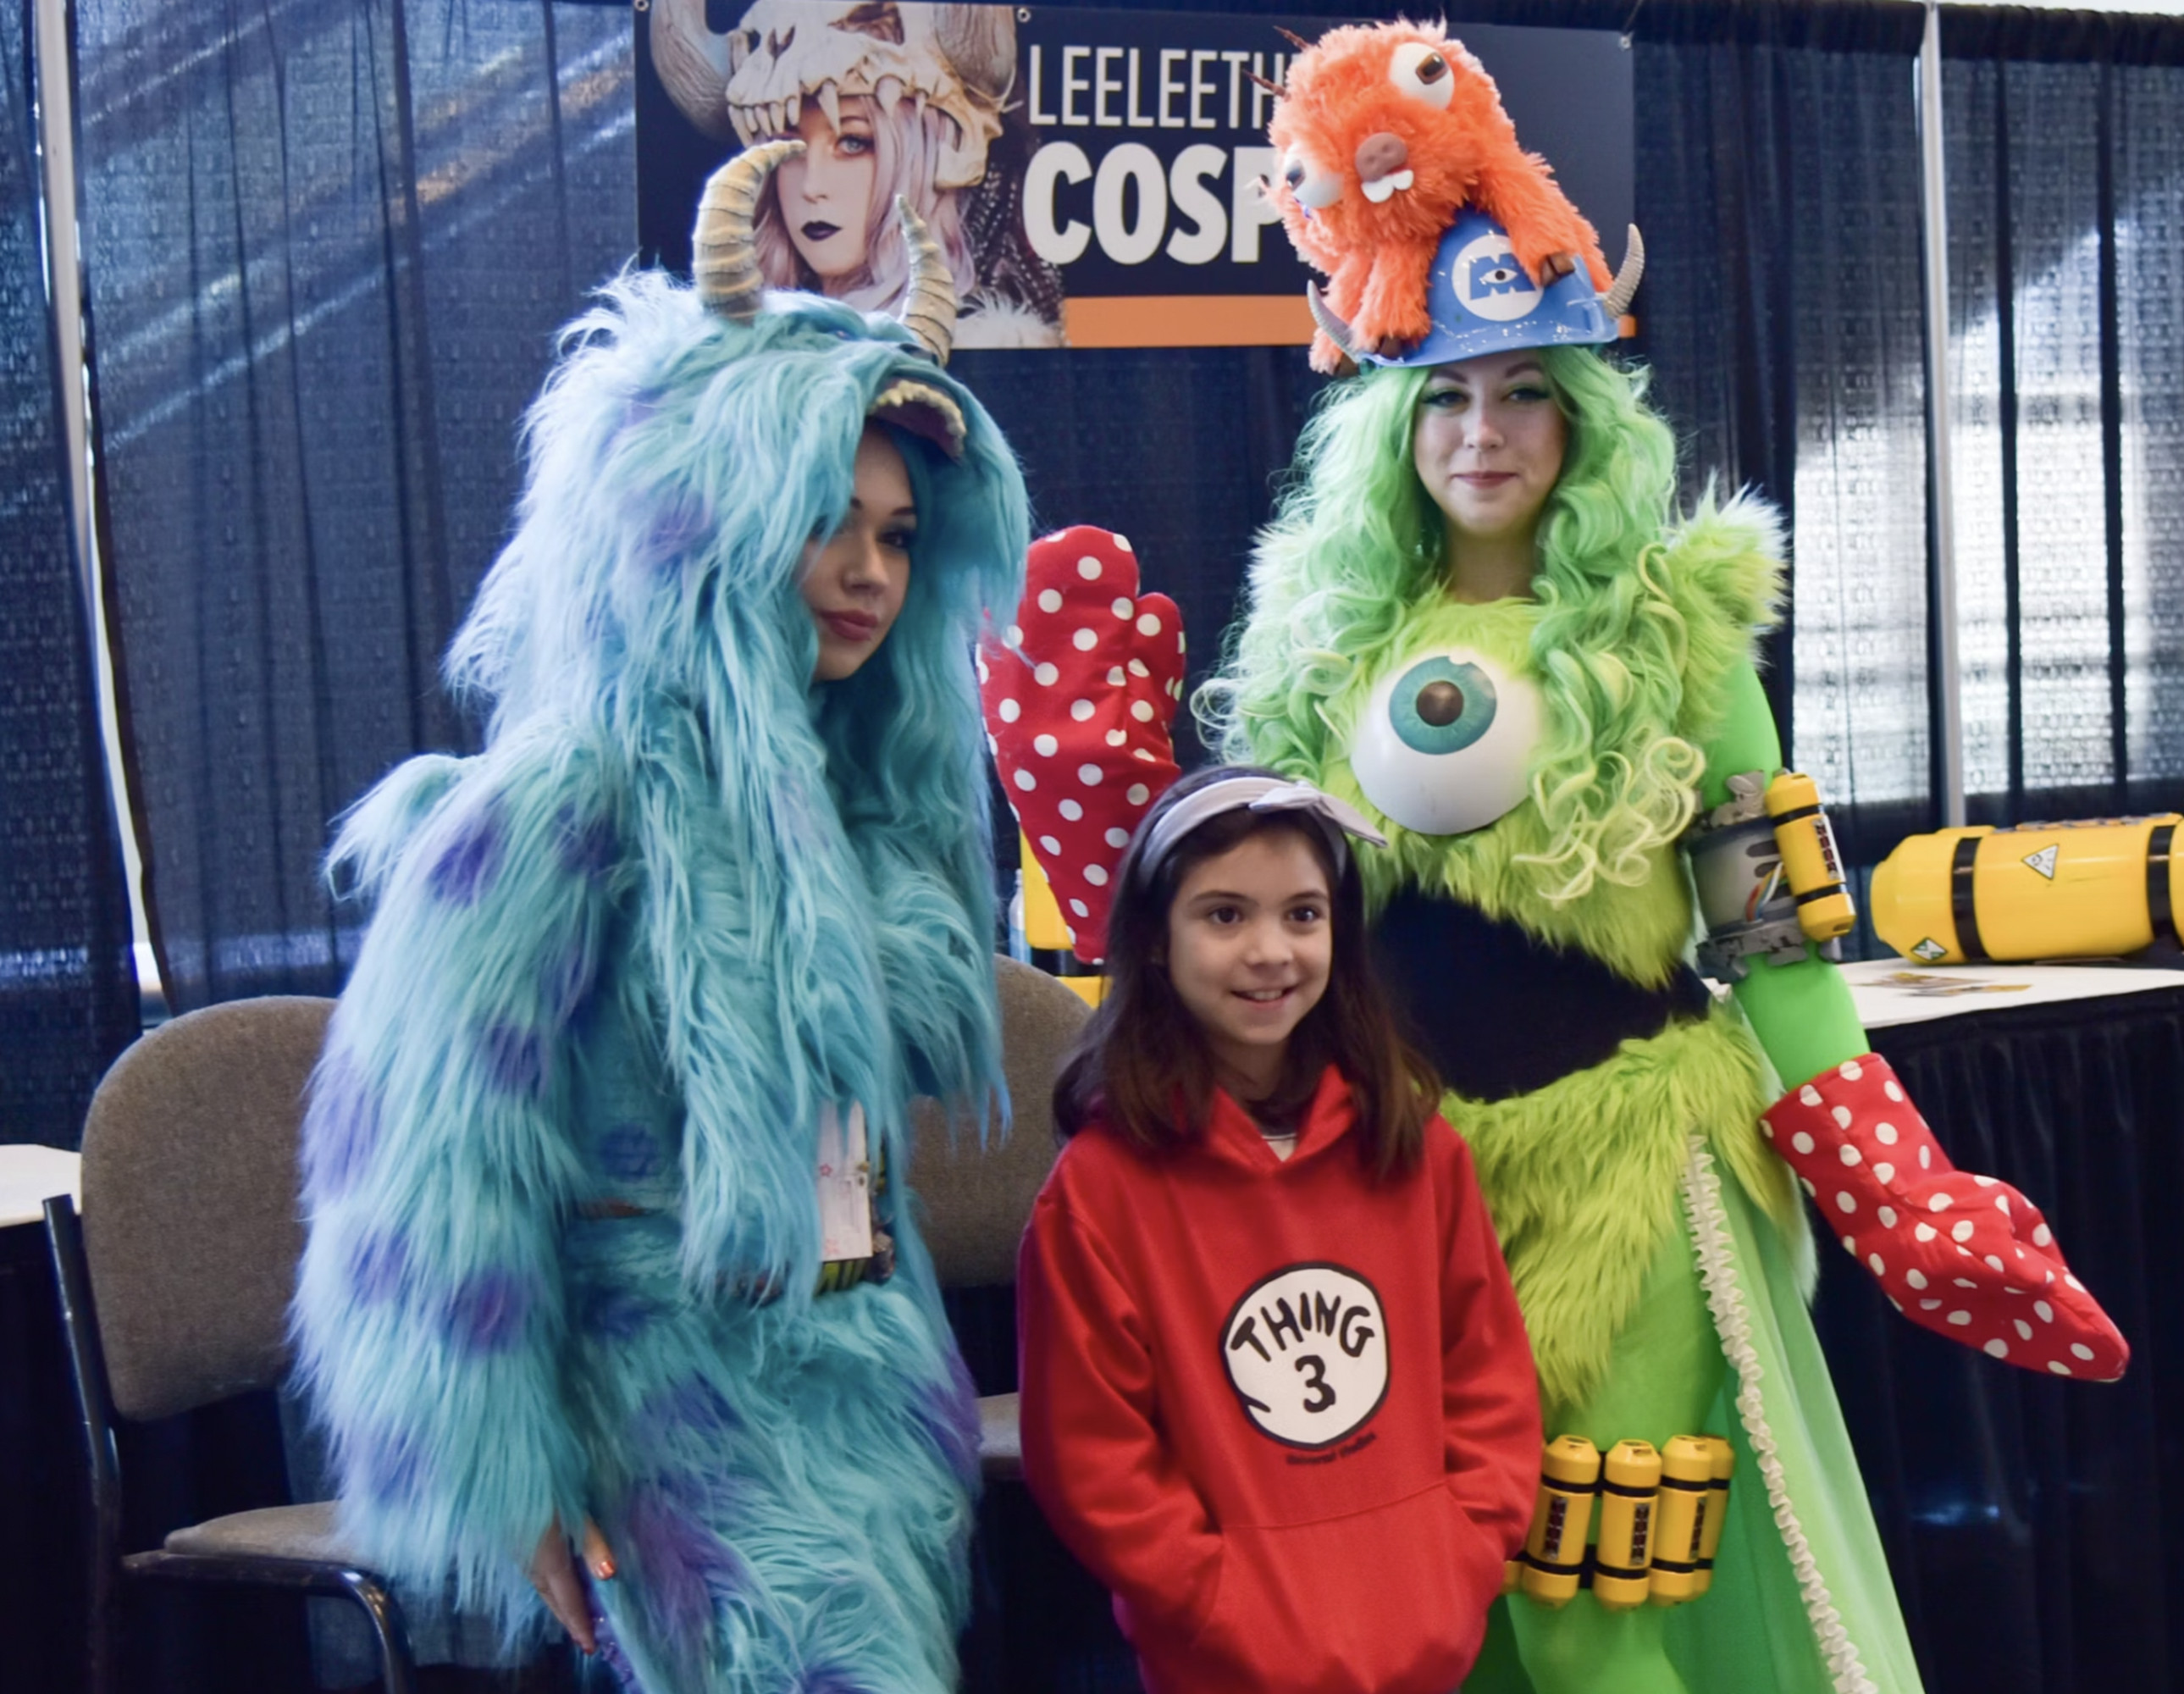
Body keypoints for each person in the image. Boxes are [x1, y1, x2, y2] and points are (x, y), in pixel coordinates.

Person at [1213, 31, 2130, 1686]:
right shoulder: (1318, 641)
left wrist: (1894, 1184)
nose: (1484, 431)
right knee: (1429, 1609)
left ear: (1583, 419)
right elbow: (1262, 936)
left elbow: (1769, 937)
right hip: (1399, 1195)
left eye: (1526, 394)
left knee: (1593, 1599)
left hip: (1634, 1191)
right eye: (1449, 392)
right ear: (1393, 416)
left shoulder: (1677, 635)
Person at [289, 142, 1028, 1694]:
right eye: (829, 515)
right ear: (708, 513)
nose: (868, 569)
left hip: (857, 1368)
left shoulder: (863, 810)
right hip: (653, 1386)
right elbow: (427, 1180)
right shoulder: (563, 799)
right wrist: (511, 1476)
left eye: (900, 534)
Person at [1016, 767, 1544, 1694]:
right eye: (1224, 915)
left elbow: (1488, 1376)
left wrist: (1462, 1551)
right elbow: (1094, 1457)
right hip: (1225, 1655)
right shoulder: (1099, 1195)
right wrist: (1215, 1599)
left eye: (1303, 913)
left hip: (1423, 1629)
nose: (1271, 950)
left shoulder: (1418, 1146)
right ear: (1153, 943)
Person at [651, 0, 1065, 346]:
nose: (812, 187)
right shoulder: (742, 347)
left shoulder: (988, 348)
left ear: (928, 155)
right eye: (788, 148)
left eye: (853, 142)